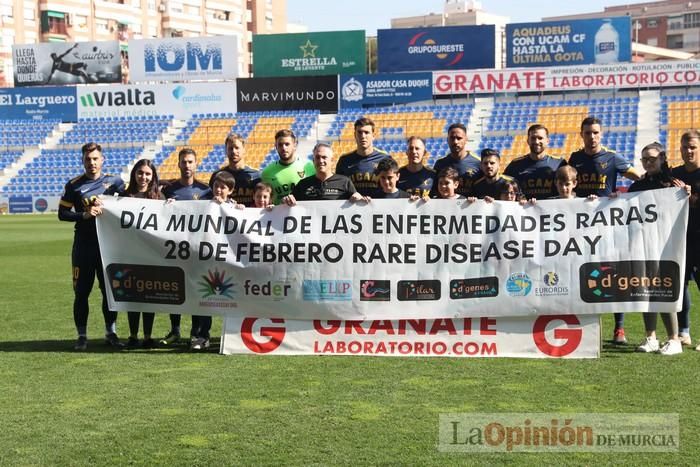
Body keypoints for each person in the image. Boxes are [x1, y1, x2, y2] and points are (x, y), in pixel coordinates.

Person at [569, 116, 641, 344]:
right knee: (581, 273)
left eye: (596, 133)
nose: (592, 137)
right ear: (581, 134)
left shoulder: (612, 158)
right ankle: (584, 326)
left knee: (611, 273)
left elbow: (638, 179)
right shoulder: (575, 159)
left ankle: (619, 328)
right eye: (588, 133)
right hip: (580, 226)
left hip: (607, 225)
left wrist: (622, 197)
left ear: (602, 134)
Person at [58, 142, 125, 351]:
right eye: (88, 159)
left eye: (95, 159)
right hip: (84, 248)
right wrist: (84, 215)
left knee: (109, 293)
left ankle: (111, 332)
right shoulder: (74, 185)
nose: (92, 163)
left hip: (108, 247)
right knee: (81, 293)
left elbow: (128, 205)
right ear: (82, 161)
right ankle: (81, 335)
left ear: (102, 160)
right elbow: (63, 214)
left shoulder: (115, 183)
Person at [629, 142, 684, 355]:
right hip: (642, 245)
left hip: (667, 246)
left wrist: (685, 193)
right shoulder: (637, 187)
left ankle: (674, 339)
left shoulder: (673, 184)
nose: (648, 163)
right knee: (644, 289)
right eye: (644, 159)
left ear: (662, 158)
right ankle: (650, 336)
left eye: (652, 158)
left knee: (664, 289)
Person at [160, 148, 213, 350]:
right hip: (175, 248)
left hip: (199, 250)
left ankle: (198, 333)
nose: (187, 165)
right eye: (184, 162)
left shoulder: (206, 190)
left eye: (190, 161)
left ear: (196, 164)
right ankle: (175, 330)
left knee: (199, 291)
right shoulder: (169, 190)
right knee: (176, 290)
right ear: (179, 164)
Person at [121, 159, 162, 349]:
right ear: (134, 174)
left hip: (151, 255)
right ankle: (132, 335)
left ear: (152, 176)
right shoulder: (124, 196)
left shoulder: (158, 197)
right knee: (132, 297)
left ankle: (147, 336)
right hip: (130, 254)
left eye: (147, 173)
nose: (143, 177)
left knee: (148, 297)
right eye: (140, 173)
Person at [671, 130, 700, 349]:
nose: (688, 151)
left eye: (692, 147)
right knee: (680, 286)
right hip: (681, 238)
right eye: (684, 147)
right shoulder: (673, 175)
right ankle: (684, 332)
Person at [282, 143, 369, 204]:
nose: (321, 161)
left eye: (324, 157)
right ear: (313, 161)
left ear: (332, 161)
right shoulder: (303, 184)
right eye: (317, 157)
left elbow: (356, 204)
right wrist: (286, 200)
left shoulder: (345, 182)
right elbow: (289, 205)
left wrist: (359, 198)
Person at [504, 124, 566, 199]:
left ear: (547, 141)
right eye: (533, 138)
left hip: (553, 209)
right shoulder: (515, 165)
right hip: (525, 210)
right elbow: (503, 188)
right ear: (528, 141)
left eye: (540, 138)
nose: (536, 141)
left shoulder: (559, 163)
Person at [336, 117, 393, 197]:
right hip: (352, 208)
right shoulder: (344, 160)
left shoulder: (385, 158)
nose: (363, 136)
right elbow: (339, 188)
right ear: (355, 135)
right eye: (359, 132)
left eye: (366, 132)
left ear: (373, 135)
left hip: (379, 208)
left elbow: (393, 188)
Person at [261, 129, 315, 204]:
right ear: (275, 146)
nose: (283, 148)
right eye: (280, 144)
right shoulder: (267, 173)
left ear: (294, 145)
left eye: (287, 144)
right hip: (279, 215)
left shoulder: (310, 166)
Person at [208, 133, 260, 205]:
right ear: (226, 151)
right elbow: (210, 200)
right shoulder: (217, 175)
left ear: (244, 150)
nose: (233, 151)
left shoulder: (256, 175)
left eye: (237, 148)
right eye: (230, 148)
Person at [432, 123, 481, 198]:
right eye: (452, 138)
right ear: (447, 140)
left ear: (466, 139)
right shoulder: (440, 163)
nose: (455, 142)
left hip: (470, 208)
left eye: (459, 138)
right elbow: (434, 190)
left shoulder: (477, 163)